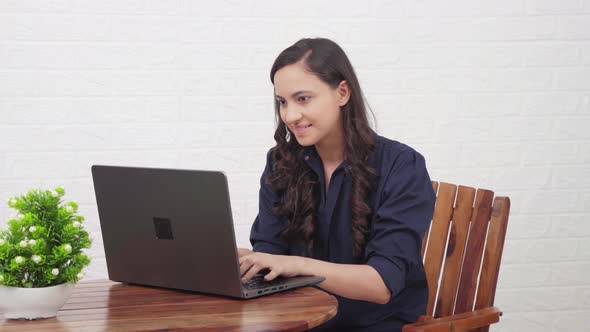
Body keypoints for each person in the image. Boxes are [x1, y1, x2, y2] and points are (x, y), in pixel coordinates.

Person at [238, 38, 436, 332]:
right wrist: (243, 261)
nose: (290, 116)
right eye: (283, 102)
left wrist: (296, 265)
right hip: (299, 321)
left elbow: (383, 283)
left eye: (303, 99)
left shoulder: (401, 165)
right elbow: (270, 250)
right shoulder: (281, 162)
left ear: (342, 92)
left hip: (374, 325)